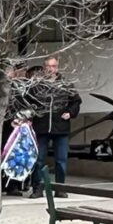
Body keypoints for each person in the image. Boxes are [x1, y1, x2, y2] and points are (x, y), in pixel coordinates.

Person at [30, 55, 81, 195]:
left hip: (61, 127)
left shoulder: (65, 84)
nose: (50, 69)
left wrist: (70, 113)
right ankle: (37, 188)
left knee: (61, 160)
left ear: (57, 67)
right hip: (41, 127)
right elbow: (29, 101)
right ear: (44, 67)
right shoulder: (37, 85)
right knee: (39, 160)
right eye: (48, 66)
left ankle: (60, 189)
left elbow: (76, 101)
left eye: (53, 66)